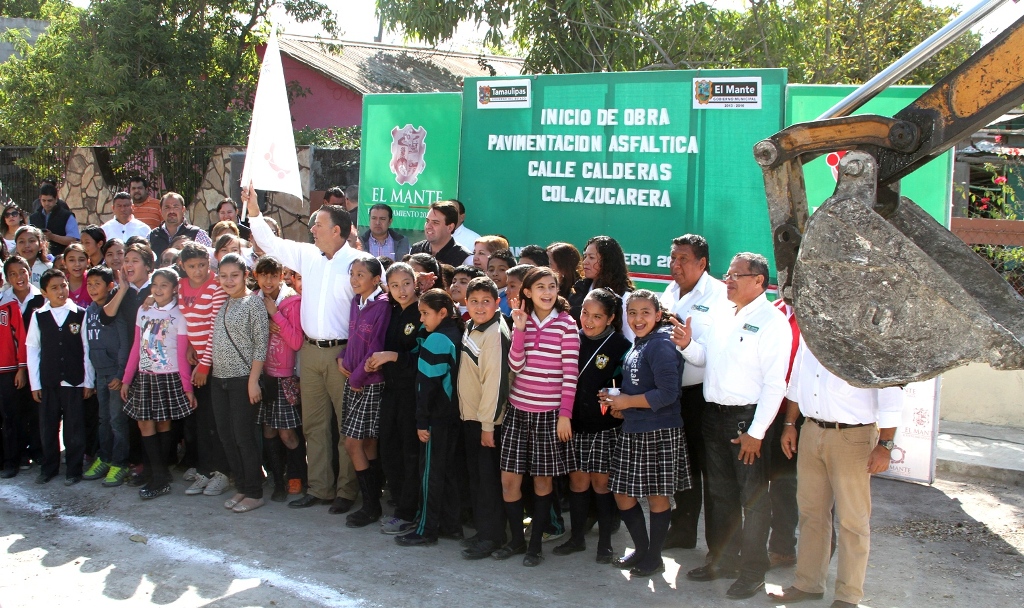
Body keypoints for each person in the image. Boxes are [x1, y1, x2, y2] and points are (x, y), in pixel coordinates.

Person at [242, 184, 366, 514]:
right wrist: (254, 211)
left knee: (345, 428)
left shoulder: (361, 262)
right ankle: (320, 488)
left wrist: (355, 356)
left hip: (343, 355)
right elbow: (271, 243)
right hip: (309, 354)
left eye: (318, 224)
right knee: (313, 425)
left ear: (337, 230)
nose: (311, 229)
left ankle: (346, 491)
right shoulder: (308, 255)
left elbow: (372, 311)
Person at [674, 252, 790, 599]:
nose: (729, 280)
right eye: (728, 273)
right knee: (720, 493)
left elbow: (775, 384)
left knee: (752, 499)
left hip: (746, 421)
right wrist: (687, 345)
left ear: (760, 281)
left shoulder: (773, 322)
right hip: (714, 414)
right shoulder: (725, 313)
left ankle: (753, 571)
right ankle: (723, 560)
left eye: (738, 275)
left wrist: (756, 432)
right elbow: (706, 357)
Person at [769, 342, 904, 608]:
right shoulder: (810, 339)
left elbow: (891, 396)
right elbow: (796, 385)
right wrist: (789, 425)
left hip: (853, 435)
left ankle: (848, 595)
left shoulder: (870, 343)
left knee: (853, 519)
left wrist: (885, 445)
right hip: (811, 430)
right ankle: (808, 583)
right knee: (811, 513)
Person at [496, 266, 579, 566]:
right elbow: (515, 366)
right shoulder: (521, 321)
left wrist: (565, 415)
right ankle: (516, 541)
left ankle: (534, 547)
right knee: (509, 482)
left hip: (549, 416)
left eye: (552, 286)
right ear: (527, 292)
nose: (547, 292)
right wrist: (519, 331)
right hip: (518, 413)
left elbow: (570, 375)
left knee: (543, 484)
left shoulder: (567, 325)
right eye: (540, 287)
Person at [602, 290, 688, 577]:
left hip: (659, 431)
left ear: (658, 315)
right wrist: (619, 403)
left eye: (645, 312)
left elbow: (668, 393)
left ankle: (654, 557)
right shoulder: (641, 343)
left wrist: (627, 402)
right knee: (622, 492)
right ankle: (642, 550)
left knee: (656, 496)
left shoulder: (661, 344)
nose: (638, 319)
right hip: (634, 427)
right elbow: (639, 387)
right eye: (633, 313)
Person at [658, 234, 728, 552]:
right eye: (673, 258)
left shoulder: (719, 296)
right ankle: (682, 530)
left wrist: (686, 344)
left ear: (702, 263)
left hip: (702, 396)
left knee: (704, 468)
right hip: (670, 394)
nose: (676, 264)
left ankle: (719, 547)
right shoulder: (670, 291)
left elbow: (713, 355)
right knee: (678, 467)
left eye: (683, 259)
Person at [554, 288, 631, 563]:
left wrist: (617, 397)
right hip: (573, 424)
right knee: (577, 482)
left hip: (604, 427)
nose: (588, 320)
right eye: (585, 313)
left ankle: (605, 543)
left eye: (597, 316)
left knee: (601, 484)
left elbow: (626, 383)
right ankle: (576, 538)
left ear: (610, 318)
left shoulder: (620, 345)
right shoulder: (572, 337)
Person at [394, 288, 464, 547]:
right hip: (452, 416)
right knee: (446, 473)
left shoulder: (438, 341)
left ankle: (426, 529)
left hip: (436, 418)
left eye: (425, 313)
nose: (421, 320)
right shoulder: (452, 332)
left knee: (429, 475)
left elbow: (426, 386)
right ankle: (451, 525)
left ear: (442, 312)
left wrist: (421, 421)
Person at [119, 268, 195, 499]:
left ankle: (159, 475)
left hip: (168, 376)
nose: (159, 289)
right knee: (145, 424)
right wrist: (127, 378)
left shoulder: (180, 316)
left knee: (163, 425)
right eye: (155, 285)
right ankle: (155, 472)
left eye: (164, 285)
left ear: (175, 289)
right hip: (145, 376)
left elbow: (182, 355)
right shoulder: (143, 311)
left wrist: (187, 388)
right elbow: (136, 347)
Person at [209, 254, 268, 513]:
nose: (228, 280)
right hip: (219, 380)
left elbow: (260, 344)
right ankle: (242, 486)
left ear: (246, 275)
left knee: (244, 437)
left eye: (234, 275)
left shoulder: (253, 304)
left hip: (242, 380)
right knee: (227, 436)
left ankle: (254, 492)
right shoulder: (224, 305)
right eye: (223, 276)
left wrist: (253, 381)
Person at [365, 262, 422, 535]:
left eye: (407, 283)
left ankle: (408, 512)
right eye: (395, 285)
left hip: (413, 394)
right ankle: (400, 501)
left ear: (416, 283)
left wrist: (392, 356)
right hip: (390, 390)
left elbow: (423, 357)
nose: (401, 290)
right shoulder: (389, 310)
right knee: (389, 448)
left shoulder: (422, 312)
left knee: (409, 452)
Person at [457, 276, 511, 559]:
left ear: (497, 303)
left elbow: (496, 383)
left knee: (488, 481)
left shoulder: (494, 334)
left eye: (486, 302)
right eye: (474, 301)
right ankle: (484, 531)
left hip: (486, 422)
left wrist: (488, 425)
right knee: (478, 479)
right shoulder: (473, 326)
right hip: (472, 418)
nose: (479, 307)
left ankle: (493, 536)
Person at [26, 268, 95, 485]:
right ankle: (49, 467)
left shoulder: (80, 314)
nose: (61, 291)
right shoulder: (39, 316)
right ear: (44, 292)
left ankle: (74, 469)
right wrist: (35, 384)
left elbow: (87, 349)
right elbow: (33, 350)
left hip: (74, 380)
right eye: (54, 288)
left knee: (74, 427)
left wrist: (88, 380)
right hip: (49, 380)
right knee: (48, 425)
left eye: (63, 285)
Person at [176, 242, 231, 497]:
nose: (198, 271)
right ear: (182, 267)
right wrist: (189, 346)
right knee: (200, 420)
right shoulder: (181, 286)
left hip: (213, 363)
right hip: (196, 361)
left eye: (202, 265)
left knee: (215, 420)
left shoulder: (215, 287)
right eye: (191, 266)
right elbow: (185, 321)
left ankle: (222, 472)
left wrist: (204, 365)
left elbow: (214, 328)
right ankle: (205, 470)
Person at [340, 257, 390, 528]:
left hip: (370, 382)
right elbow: (354, 340)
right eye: (353, 274)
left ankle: (371, 506)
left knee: (353, 443)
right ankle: (373, 501)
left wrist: (358, 376)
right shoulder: (355, 302)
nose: (355, 279)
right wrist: (342, 356)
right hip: (355, 380)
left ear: (375, 279)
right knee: (367, 442)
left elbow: (376, 346)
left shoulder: (382, 306)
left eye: (361, 275)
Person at [254, 256, 304, 502]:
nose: (268, 281)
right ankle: (277, 479)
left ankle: (296, 476)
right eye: (263, 275)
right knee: (269, 430)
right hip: (263, 376)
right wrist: (265, 320)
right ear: (256, 277)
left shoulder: (291, 301)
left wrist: (275, 316)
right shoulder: (254, 301)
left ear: (282, 275)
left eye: (273, 275)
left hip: (285, 376)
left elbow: (295, 341)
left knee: (288, 433)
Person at [81, 266, 132, 487]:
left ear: (110, 286)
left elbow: (124, 344)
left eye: (97, 284)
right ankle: (105, 457)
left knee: (117, 421)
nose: (92, 288)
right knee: (103, 420)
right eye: (89, 284)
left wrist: (120, 374)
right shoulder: (90, 311)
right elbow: (88, 346)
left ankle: (120, 463)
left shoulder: (115, 310)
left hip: (114, 375)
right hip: (99, 375)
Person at [767, 293, 802, 569]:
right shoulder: (774, 310)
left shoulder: (816, 314)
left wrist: (791, 422)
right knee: (776, 484)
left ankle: (817, 554)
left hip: (801, 414)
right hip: (769, 411)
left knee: (795, 486)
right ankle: (781, 548)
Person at [570, 236, 635, 341]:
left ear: (607, 261)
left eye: (591, 257)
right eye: (585, 256)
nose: (585, 262)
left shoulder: (624, 298)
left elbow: (629, 340)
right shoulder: (580, 289)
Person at [0, 274, 28, 479]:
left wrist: (21, 368)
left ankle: (12, 460)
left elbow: (21, 336)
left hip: (8, 371)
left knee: (10, 417)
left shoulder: (10, 306)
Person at [147, 192, 212, 259]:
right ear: (160, 211)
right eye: (167, 207)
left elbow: (211, 258)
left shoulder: (198, 234)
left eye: (176, 207)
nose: (171, 211)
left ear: (183, 210)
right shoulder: (152, 236)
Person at [410, 201, 472, 268]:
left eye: (435, 222)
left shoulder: (464, 258)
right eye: (427, 221)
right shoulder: (415, 249)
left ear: (450, 227)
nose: (428, 226)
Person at [29, 183, 79, 257]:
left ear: (56, 199)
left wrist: (52, 236)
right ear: (40, 198)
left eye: (49, 201)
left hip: (60, 259)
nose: (46, 203)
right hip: (38, 259)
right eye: (44, 200)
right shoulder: (33, 217)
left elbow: (73, 240)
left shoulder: (67, 216)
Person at [487, 249, 516, 315]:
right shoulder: (483, 295)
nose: (495, 274)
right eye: (491, 270)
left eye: (502, 269)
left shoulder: (511, 297)